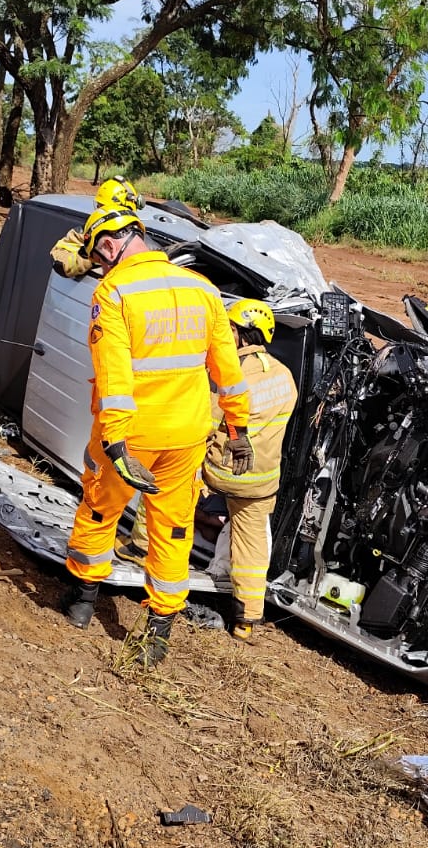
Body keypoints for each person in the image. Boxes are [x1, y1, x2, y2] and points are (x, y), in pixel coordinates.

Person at [56, 179, 253, 664]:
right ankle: (158, 633)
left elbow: (116, 376)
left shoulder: (115, 292)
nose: (99, 265)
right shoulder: (203, 290)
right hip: (186, 435)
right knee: (172, 528)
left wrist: (118, 443)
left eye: (98, 257)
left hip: (131, 435)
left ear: (109, 242)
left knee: (101, 509)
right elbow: (227, 369)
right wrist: (239, 429)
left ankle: (82, 603)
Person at [203, 299, 298, 642]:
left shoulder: (229, 375)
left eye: (228, 330)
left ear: (243, 335)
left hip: (220, 470)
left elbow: (205, 424)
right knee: (252, 543)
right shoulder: (285, 377)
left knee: (174, 486)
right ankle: (246, 620)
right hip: (261, 480)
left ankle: (145, 555)